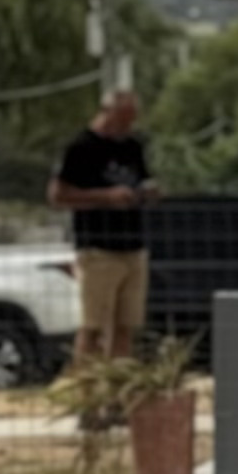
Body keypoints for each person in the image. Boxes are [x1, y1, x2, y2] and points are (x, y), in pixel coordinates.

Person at [47, 90, 157, 370]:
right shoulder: (82, 147)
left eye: (131, 120)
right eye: (122, 120)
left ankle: (117, 392)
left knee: (125, 327)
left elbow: (143, 178)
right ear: (107, 114)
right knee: (93, 326)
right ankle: (88, 395)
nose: (127, 127)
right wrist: (105, 197)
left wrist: (147, 192)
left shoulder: (133, 146)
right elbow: (58, 196)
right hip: (98, 247)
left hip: (133, 246)